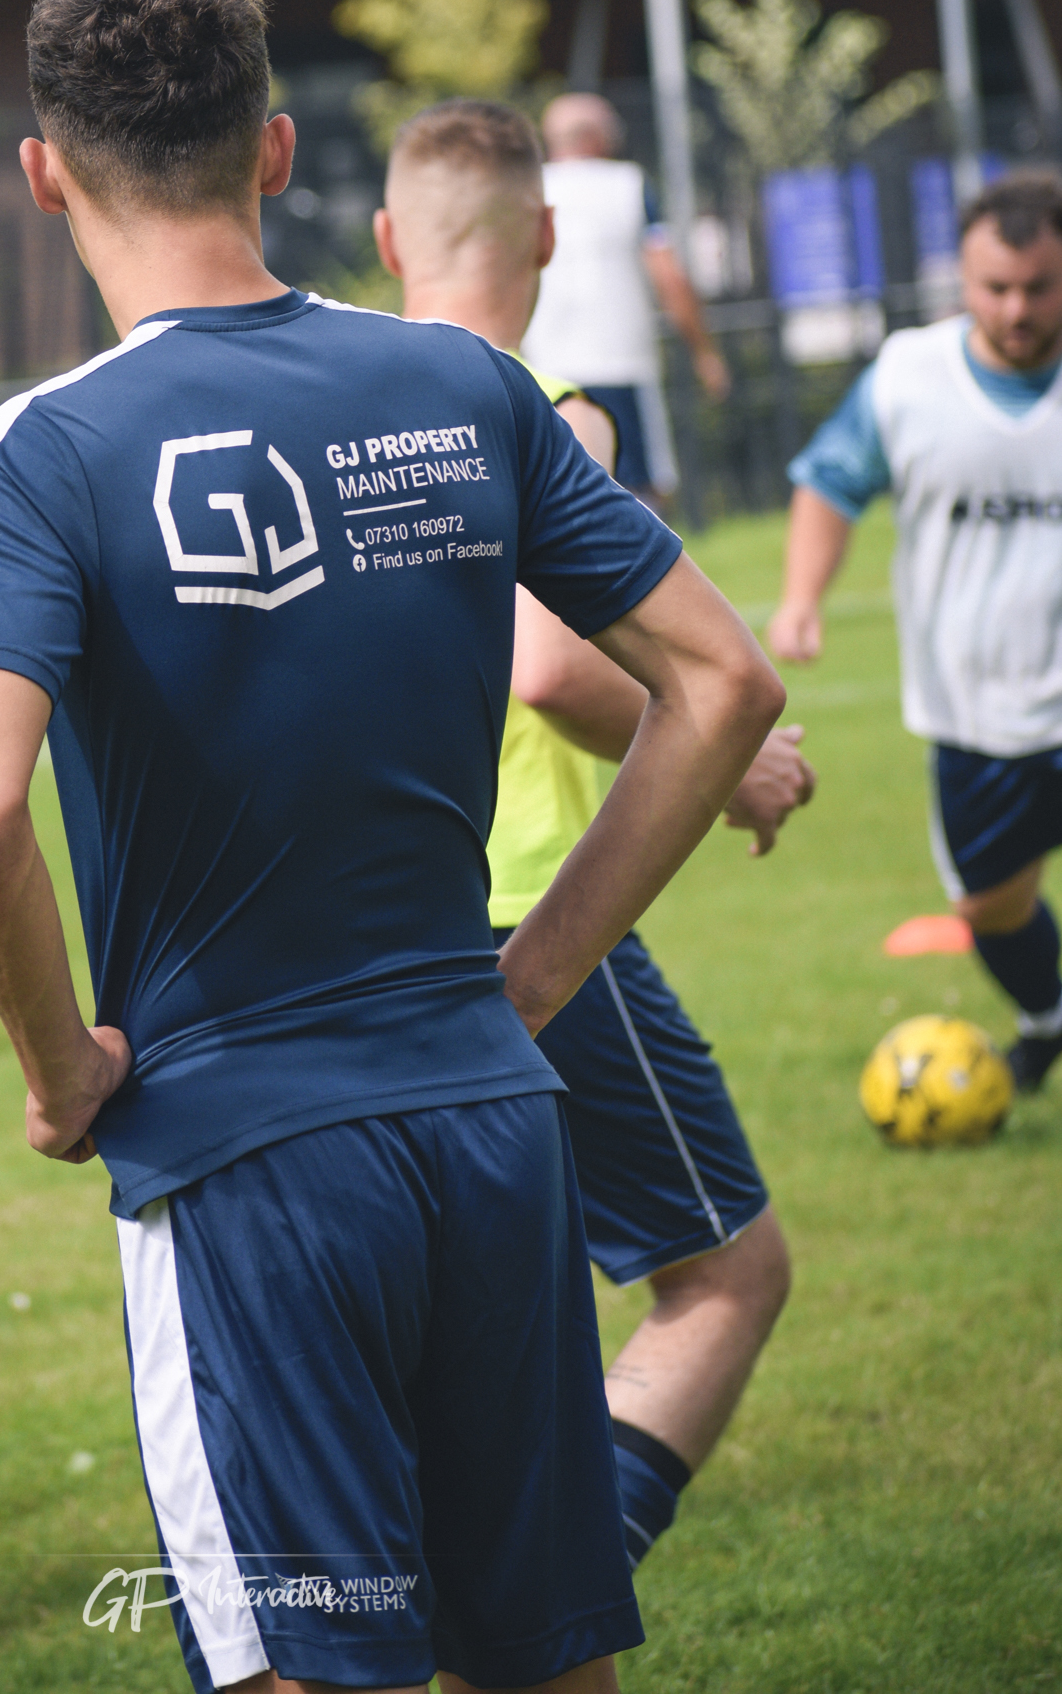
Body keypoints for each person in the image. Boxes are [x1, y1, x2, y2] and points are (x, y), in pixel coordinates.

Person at [0, 0, 785, 1694]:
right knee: (538, 1653)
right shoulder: (463, 391)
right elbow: (725, 685)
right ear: (277, 149)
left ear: (42, 172)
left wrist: (60, 1071)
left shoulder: (46, 449)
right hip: (491, 1126)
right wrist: (529, 982)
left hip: (242, 1159)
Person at [374, 98, 811, 1569]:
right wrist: (721, 759)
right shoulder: (551, 405)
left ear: (383, 243)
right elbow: (551, 665)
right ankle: (548, 1582)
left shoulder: (347, 410)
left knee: (491, 1302)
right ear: (551, 234)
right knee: (723, 1277)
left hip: (378, 921)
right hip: (533, 919)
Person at [770, 170, 1062, 1095]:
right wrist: (801, 596)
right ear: (963, 282)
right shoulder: (907, 375)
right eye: (995, 288)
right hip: (975, 705)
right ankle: (1048, 1018)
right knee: (987, 901)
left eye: (1038, 288)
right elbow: (830, 479)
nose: (1015, 309)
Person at [522, 92, 729, 504]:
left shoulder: (527, 192)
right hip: (622, 365)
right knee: (639, 495)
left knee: (558, 496)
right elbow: (667, 275)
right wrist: (705, 351)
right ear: (599, 138)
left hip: (544, 370)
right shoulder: (628, 185)